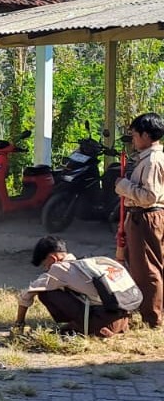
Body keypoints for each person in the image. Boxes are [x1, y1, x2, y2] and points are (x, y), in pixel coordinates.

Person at [13, 235, 130, 338]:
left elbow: (26, 295)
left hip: (104, 323)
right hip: (123, 319)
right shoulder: (89, 263)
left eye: (45, 265)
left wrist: (19, 323)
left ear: (53, 259)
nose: (46, 269)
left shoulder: (59, 269)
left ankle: (86, 329)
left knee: (45, 293)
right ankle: (90, 325)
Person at [114, 112, 164, 328]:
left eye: (134, 135)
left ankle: (152, 318)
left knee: (147, 269)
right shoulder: (148, 158)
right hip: (143, 216)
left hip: (146, 216)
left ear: (145, 135)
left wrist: (124, 186)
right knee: (142, 266)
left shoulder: (152, 160)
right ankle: (149, 310)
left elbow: (149, 196)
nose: (133, 140)